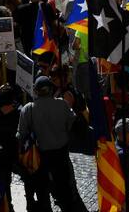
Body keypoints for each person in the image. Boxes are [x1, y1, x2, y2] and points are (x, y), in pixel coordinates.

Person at [17, 75, 81, 212]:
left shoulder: (28, 109)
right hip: (60, 152)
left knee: (42, 188)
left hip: (40, 155)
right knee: (63, 185)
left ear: (36, 91)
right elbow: (71, 122)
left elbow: (21, 134)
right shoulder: (62, 104)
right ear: (51, 90)